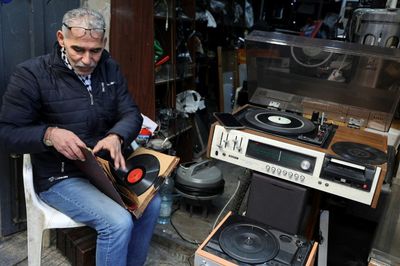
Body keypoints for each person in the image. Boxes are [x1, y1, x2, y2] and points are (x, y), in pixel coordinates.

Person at [0, 7, 160, 266]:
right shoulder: (31, 74)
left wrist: (117, 136)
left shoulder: (109, 67)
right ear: (61, 39)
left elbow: (131, 112)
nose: (87, 60)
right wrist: (49, 134)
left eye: (95, 51)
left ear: (103, 43)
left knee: (152, 203)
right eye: (78, 50)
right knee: (117, 222)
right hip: (61, 175)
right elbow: (7, 134)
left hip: (105, 168)